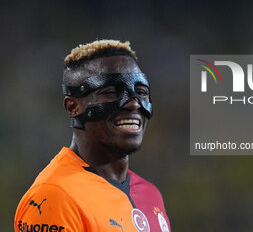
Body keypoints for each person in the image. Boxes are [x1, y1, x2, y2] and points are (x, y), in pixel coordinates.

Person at [14, 40, 171, 232]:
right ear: (73, 107)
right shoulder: (55, 196)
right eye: (111, 92)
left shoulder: (150, 195)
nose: (134, 104)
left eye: (141, 92)